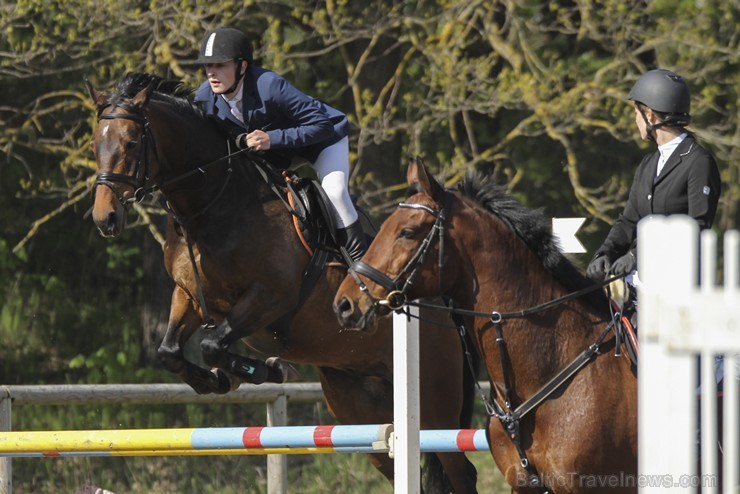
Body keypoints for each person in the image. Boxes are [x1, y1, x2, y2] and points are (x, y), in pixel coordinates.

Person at [192, 26, 367, 262]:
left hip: (322, 142)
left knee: (335, 193)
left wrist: (272, 139)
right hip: (277, 156)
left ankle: (359, 264)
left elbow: (321, 125)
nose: (212, 73)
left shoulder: (270, 85)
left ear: (242, 66)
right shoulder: (204, 98)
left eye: (220, 65)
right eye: (208, 66)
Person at [587, 68, 721, 284]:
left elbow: (697, 229)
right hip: (641, 281)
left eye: (636, 113)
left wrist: (638, 256)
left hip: (678, 284)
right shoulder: (648, 164)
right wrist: (605, 253)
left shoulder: (698, 162)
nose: (635, 120)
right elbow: (628, 221)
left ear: (649, 115)